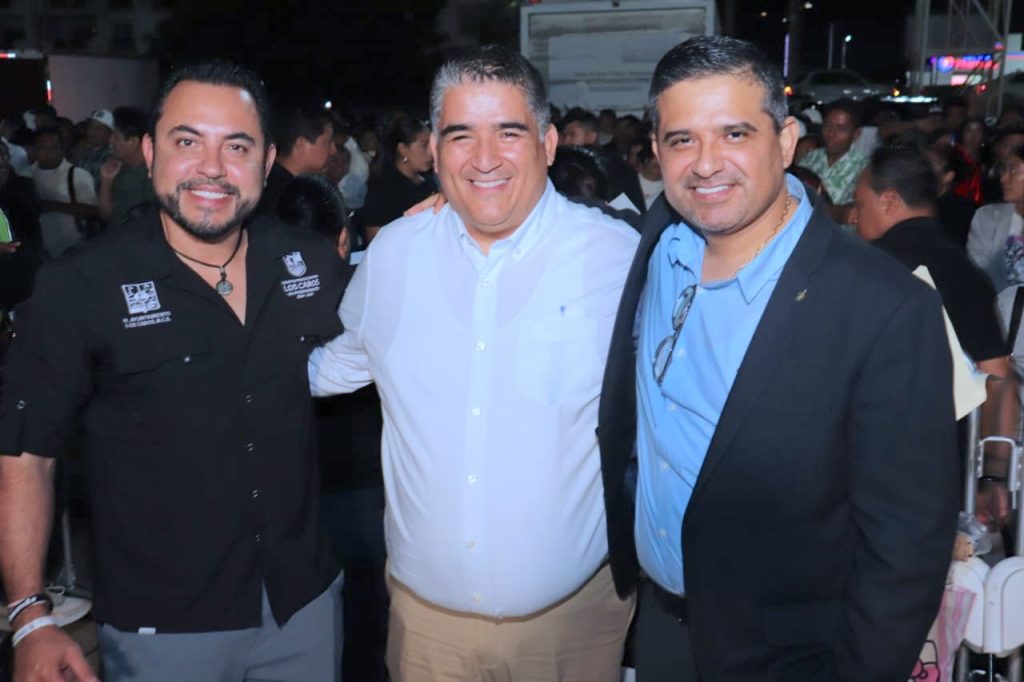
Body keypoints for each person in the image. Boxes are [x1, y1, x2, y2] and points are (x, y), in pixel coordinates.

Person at [599, 36, 958, 681]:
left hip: (788, 654)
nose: (706, 163)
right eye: (682, 140)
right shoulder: (653, 246)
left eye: (734, 133)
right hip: (657, 631)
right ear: (656, 151)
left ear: (787, 140)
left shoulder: (884, 308)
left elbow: (906, 547)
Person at [0, 60, 349, 682]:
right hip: (162, 627)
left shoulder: (310, 263)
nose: (211, 167)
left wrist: (442, 224)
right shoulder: (81, 285)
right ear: (149, 151)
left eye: (236, 146)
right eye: (187, 142)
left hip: (304, 607)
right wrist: (30, 615)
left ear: (267, 161)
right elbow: (27, 455)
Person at [310, 45, 639, 682]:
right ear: (435, 150)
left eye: (508, 132)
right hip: (427, 631)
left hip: (574, 626)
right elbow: (336, 363)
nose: (484, 158)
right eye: (462, 135)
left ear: (547, 143)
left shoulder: (617, 256)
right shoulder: (394, 256)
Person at [852, 145, 1017, 527]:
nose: (855, 217)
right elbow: (998, 380)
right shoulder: (965, 273)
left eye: (859, 205)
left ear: (888, 201)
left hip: (865, 471)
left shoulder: (860, 270)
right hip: (944, 476)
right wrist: (992, 476)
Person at [357, 115, 435, 243]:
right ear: (403, 149)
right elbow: (376, 239)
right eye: (424, 145)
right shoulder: (382, 189)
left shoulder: (429, 183)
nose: (430, 152)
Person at [28, 126, 98, 258]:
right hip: (38, 251)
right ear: (35, 149)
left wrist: (55, 206)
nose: (48, 153)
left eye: (54, 148)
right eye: (43, 148)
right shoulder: (26, 175)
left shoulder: (77, 175)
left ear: (62, 149)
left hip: (73, 249)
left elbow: (93, 210)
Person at [258, 101, 334, 215]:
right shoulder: (283, 198)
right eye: (327, 143)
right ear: (301, 145)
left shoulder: (276, 182)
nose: (333, 150)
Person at [798, 98, 869, 221]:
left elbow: (855, 213)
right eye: (827, 125)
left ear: (856, 134)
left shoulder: (865, 168)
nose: (831, 134)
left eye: (841, 129)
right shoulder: (810, 158)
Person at [968, 141, 1024, 291]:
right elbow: (979, 272)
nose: (1003, 178)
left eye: (1013, 170)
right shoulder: (987, 217)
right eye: (1003, 170)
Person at [98, 106, 155, 228]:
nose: (110, 141)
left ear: (132, 142)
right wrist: (106, 182)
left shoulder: (153, 173)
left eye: (116, 137)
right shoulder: (116, 167)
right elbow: (105, 215)